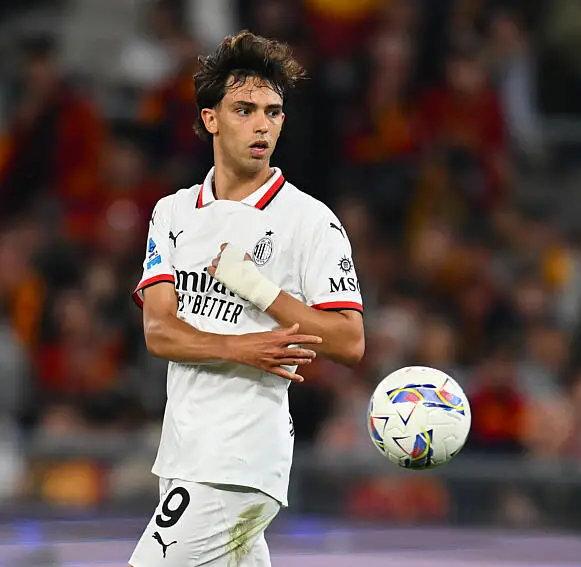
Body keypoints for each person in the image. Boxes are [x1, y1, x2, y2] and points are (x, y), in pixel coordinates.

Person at [128, 31, 366, 567]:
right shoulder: (173, 212)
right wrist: (240, 348)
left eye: (273, 112)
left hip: (238, 458)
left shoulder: (309, 222)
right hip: (183, 451)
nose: (262, 125)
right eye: (244, 110)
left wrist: (259, 289)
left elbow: (349, 341)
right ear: (210, 118)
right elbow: (159, 331)